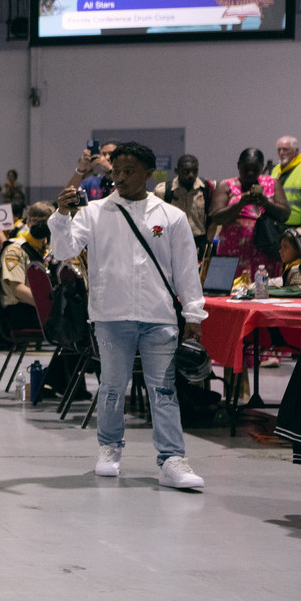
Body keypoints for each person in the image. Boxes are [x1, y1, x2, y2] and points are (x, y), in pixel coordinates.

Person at [49, 141, 206, 490]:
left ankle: (171, 460)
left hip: (159, 315)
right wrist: (61, 216)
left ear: (149, 174)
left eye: (129, 171)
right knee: (111, 387)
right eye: (116, 171)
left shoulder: (172, 217)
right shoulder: (94, 213)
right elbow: (63, 250)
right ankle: (109, 448)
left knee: (163, 389)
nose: (119, 178)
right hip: (111, 314)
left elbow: (185, 271)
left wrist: (193, 314)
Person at [205, 147, 289, 286]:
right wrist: (240, 203)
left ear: (262, 167)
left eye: (255, 170)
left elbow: (285, 214)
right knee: (230, 294)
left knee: (264, 293)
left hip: (264, 252)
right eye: (245, 169)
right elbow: (217, 216)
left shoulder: (272, 184)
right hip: (232, 253)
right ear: (238, 166)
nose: (250, 173)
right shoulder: (226, 185)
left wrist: (265, 203)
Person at [0, 201, 53, 334]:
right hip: (20, 310)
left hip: (37, 305)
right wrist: (49, 306)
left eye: (44, 221)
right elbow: (17, 289)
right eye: (35, 221)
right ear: (28, 222)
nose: (40, 225)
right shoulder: (15, 250)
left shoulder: (47, 249)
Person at [154, 155, 209, 254]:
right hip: (172, 241)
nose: (191, 175)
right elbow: (155, 219)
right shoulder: (164, 191)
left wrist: (207, 242)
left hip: (198, 241)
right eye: (186, 171)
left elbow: (211, 219)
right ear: (177, 171)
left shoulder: (205, 189)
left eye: (195, 171)